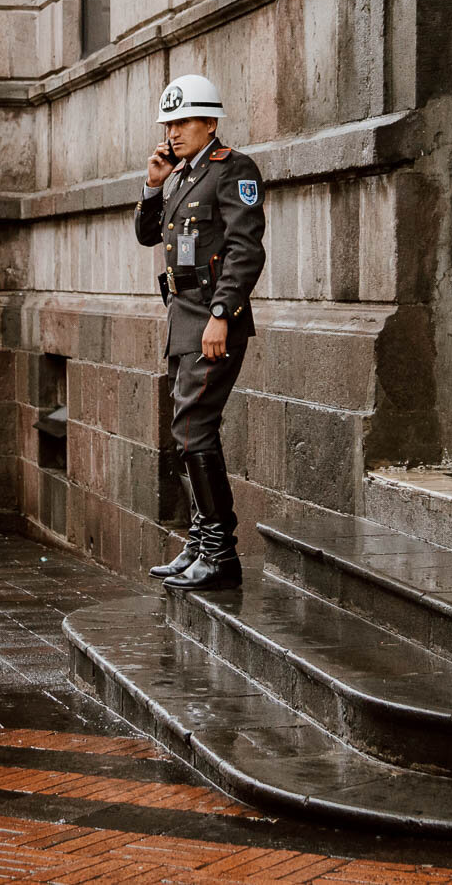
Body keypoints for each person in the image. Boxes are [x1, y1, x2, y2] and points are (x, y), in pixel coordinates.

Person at [134, 74, 265, 591]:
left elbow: (245, 248)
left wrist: (221, 314)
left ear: (210, 121)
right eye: (169, 123)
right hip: (182, 318)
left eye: (184, 121)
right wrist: (153, 184)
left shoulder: (233, 169)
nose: (173, 132)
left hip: (211, 321)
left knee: (193, 433)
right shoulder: (183, 175)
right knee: (187, 434)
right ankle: (201, 539)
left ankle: (219, 552)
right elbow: (148, 235)